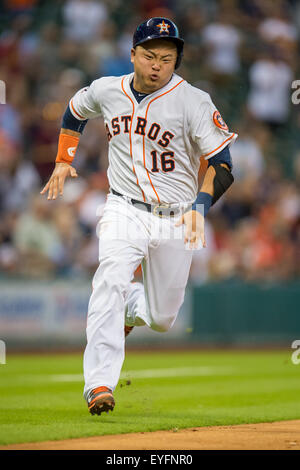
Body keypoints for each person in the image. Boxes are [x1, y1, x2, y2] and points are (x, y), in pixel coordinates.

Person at [41, 17, 237, 416]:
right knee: (109, 279)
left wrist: (200, 209)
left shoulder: (194, 101)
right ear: (132, 55)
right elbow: (75, 110)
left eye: (167, 58)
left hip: (177, 215)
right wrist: (63, 160)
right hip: (123, 207)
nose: (157, 65)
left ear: (176, 62)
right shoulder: (106, 90)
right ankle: (99, 384)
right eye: (149, 55)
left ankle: (133, 306)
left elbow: (224, 163)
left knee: (163, 318)